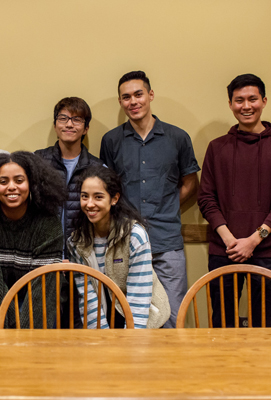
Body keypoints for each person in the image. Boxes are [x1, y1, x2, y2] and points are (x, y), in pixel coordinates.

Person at [99, 70, 200, 328]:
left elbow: (190, 183)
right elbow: (107, 190)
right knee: (132, 320)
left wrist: (168, 208)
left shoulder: (178, 138)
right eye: (126, 97)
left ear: (150, 95)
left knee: (173, 318)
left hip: (168, 243)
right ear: (120, 102)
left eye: (138, 94)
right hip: (126, 243)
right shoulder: (111, 141)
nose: (133, 101)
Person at [198, 74, 271, 327]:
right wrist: (230, 240)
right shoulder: (217, 147)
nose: (246, 106)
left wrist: (254, 240)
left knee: (265, 325)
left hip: (266, 251)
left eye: (252, 99)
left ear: (263, 101)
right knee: (222, 324)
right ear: (230, 104)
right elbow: (206, 198)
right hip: (224, 250)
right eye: (239, 100)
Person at [0, 151, 67, 328]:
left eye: (19, 181)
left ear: (32, 184)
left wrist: (24, 338)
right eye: (3, 182)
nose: (11, 187)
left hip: (39, 302)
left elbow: (43, 287)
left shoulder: (48, 222)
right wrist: (15, 331)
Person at [67, 166, 170, 329]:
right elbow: (88, 299)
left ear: (114, 199)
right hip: (106, 319)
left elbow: (139, 297)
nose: (89, 204)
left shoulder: (134, 236)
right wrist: (101, 340)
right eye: (84, 196)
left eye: (98, 197)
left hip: (144, 321)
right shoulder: (76, 242)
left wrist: (130, 343)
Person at [35, 97, 104, 251]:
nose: (69, 124)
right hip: (43, 252)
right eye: (63, 118)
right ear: (55, 125)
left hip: (83, 253)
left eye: (77, 119)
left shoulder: (98, 168)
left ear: (86, 128)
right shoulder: (37, 161)